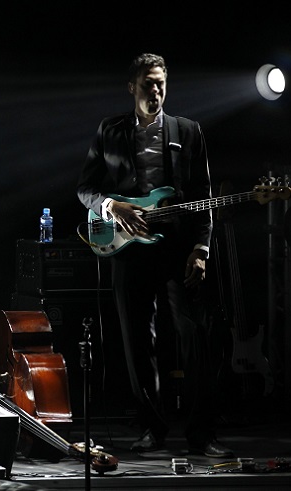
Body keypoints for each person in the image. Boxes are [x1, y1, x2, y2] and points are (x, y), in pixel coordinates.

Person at [76, 53, 233, 458]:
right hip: (128, 250)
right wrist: (114, 207)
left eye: (161, 83)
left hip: (178, 249)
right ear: (133, 87)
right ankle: (151, 426)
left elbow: (204, 197)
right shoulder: (110, 131)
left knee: (197, 336)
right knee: (136, 342)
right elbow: (85, 190)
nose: (156, 90)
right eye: (148, 83)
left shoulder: (188, 131)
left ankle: (203, 432)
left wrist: (200, 249)